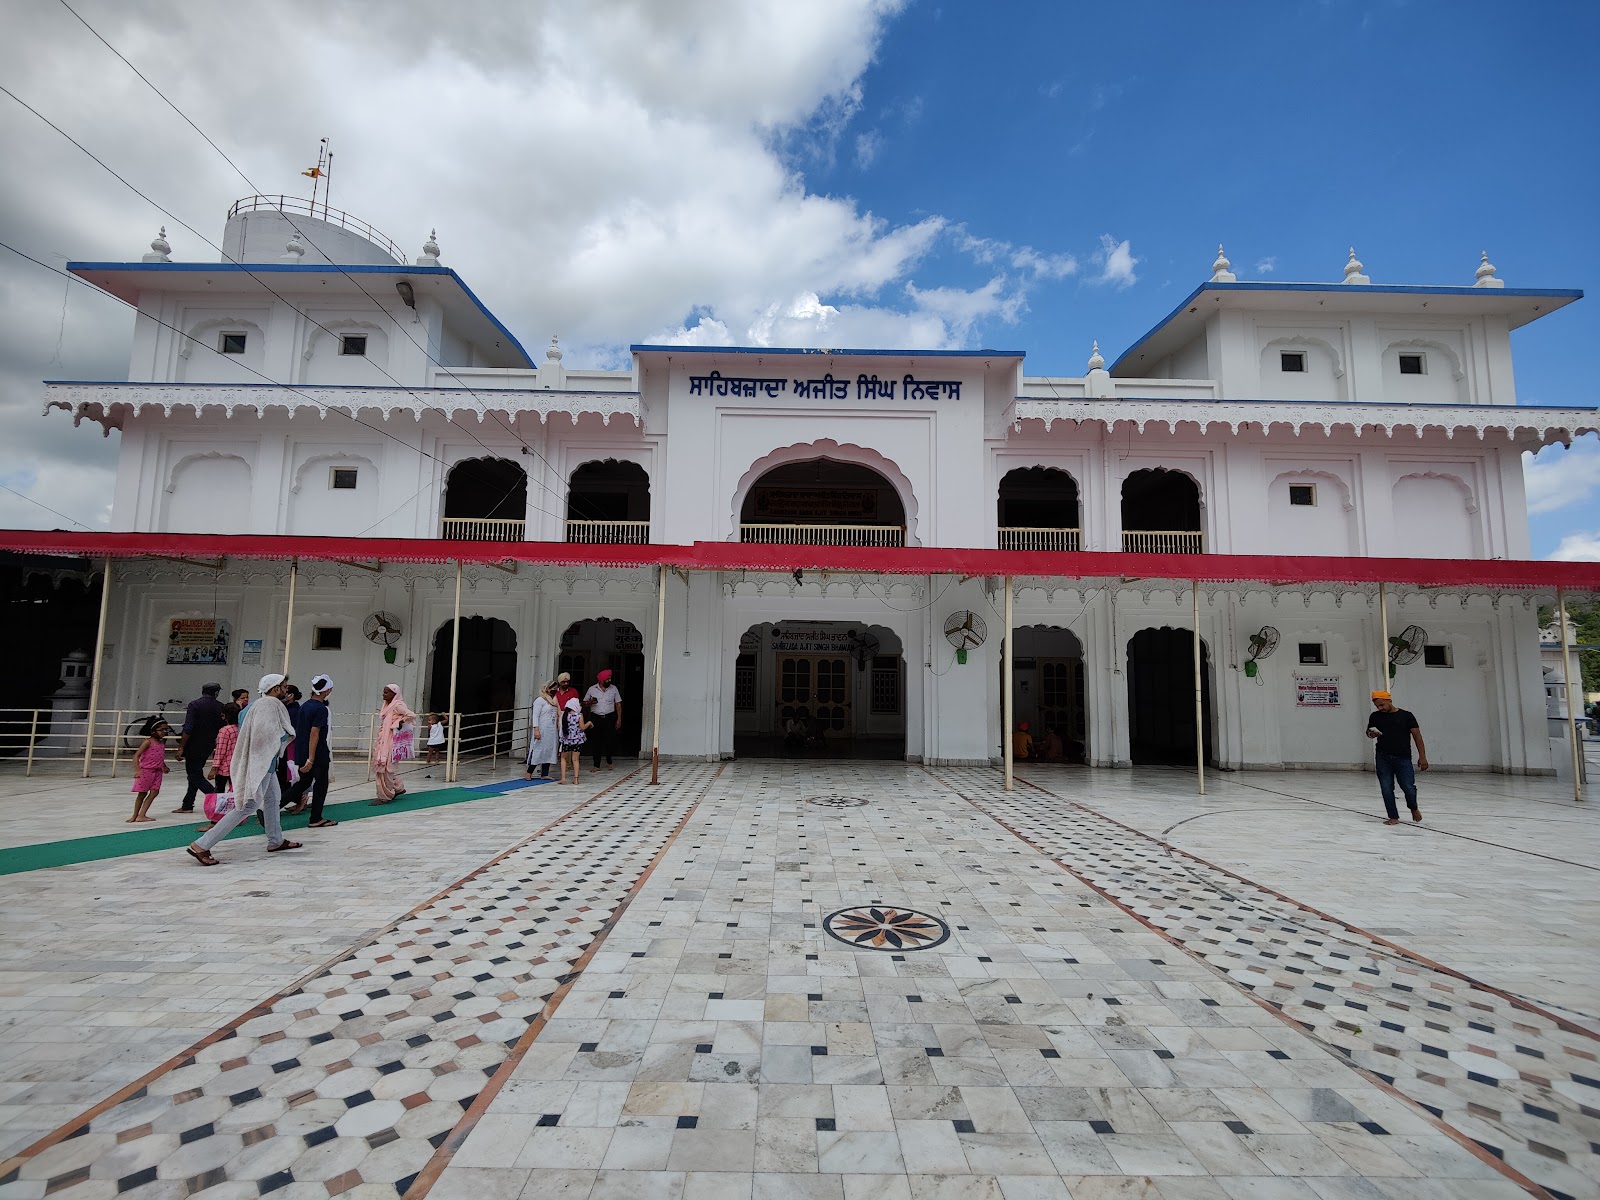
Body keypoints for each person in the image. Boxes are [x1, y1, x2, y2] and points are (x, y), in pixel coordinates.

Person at [185, 673, 301, 866]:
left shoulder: (250, 707)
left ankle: (276, 840)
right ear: (275, 688)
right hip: (261, 763)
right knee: (248, 806)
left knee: (273, 799)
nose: (286, 690)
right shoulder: (269, 705)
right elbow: (266, 736)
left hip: (261, 762)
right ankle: (202, 844)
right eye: (284, 686)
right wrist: (286, 736)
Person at [1366, 690, 1428, 825]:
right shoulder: (1375, 716)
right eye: (1377, 706)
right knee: (1386, 787)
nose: (1380, 708)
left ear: (1389, 701)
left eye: (1382, 705)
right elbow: (1369, 732)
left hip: (1403, 757)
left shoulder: (1406, 716)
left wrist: (1422, 757)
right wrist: (1372, 734)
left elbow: (1417, 736)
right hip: (1383, 757)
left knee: (1408, 786)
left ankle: (1413, 807)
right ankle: (1393, 816)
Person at [285, 673, 337, 828]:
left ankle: (272, 808)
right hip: (317, 753)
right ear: (327, 690)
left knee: (303, 783)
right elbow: (315, 733)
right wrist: (311, 758)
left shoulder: (305, 706)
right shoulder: (321, 709)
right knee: (321, 785)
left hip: (301, 751)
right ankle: (316, 818)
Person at [174, 682, 225, 813]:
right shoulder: (220, 707)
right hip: (208, 744)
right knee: (195, 773)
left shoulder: (194, 705)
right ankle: (187, 804)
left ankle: (216, 797)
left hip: (193, 744)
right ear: (216, 693)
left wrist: (181, 747)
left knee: (194, 775)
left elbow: (188, 727)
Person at [371, 683, 415, 804]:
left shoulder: (397, 705)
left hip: (391, 741)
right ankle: (398, 788)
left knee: (385, 768)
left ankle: (384, 796)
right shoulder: (388, 705)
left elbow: (411, 715)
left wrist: (400, 722)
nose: (384, 695)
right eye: (384, 692)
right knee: (383, 767)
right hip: (384, 740)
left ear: (394, 694)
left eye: (387, 692)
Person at [128, 716, 171, 822]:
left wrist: (164, 766)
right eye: (161, 730)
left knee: (154, 792)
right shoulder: (148, 742)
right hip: (146, 771)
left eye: (166, 729)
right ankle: (135, 815)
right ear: (153, 731)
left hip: (157, 771)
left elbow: (159, 756)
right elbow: (136, 756)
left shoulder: (161, 743)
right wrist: (137, 770)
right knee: (142, 793)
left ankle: (142, 814)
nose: (164, 732)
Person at [584, 668, 623, 770]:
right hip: (595, 717)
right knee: (596, 741)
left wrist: (619, 718)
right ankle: (596, 765)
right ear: (601, 680)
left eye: (610, 679)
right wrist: (590, 702)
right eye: (607, 680)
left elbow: (618, 703)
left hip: (609, 717)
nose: (609, 681)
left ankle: (609, 761)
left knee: (610, 740)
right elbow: (584, 703)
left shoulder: (613, 689)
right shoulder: (592, 689)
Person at [525, 683, 559, 780]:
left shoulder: (555, 701)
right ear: (547, 689)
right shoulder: (540, 700)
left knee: (548, 750)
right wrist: (536, 729)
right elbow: (535, 715)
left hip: (551, 730)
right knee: (538, 749)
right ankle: (529, 772)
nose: (555, 690)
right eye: (553, 688)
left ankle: (544, 773)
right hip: (541, 729)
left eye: (556, 688)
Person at [559, 694, 590, 785]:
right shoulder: (579, 716)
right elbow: (583, 727)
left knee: (563, 758)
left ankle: (563, 778)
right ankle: (576, 779)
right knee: (575, 759)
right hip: (577, 740)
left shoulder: (564, 715)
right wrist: (589, 723)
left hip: (566, 739)